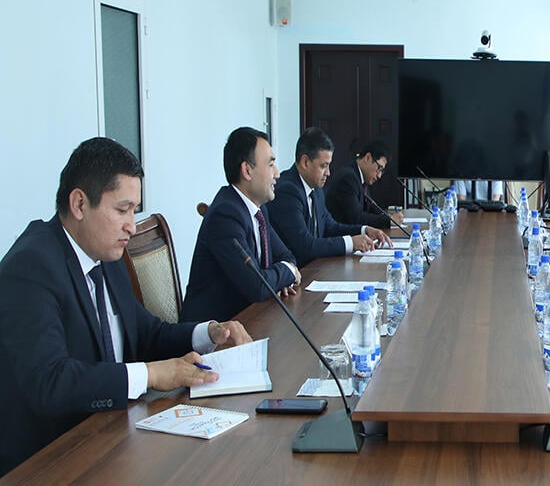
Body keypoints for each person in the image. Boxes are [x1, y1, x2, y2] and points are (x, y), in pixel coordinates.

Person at [0, 138, 251, 475]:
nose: (131, 226)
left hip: (113, 436)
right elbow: (50, 383)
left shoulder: (105, 253)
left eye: (134, 211)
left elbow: (144, 332)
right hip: (53, 460)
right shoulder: (32, 266)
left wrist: (208, 333)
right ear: (79, 203)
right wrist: (150, 374)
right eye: (122, 210)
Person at [181, 127, 301, 323]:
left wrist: (283, 276)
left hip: (249, 319)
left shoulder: (258, 209)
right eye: (271, 164)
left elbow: (287, 256)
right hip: (215, 335)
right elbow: (257, 286)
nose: (277, 174)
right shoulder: (225, 214)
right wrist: (287, 273)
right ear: (247, 170)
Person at [267, 128, 391, 266]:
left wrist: (364, 230)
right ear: (305, 162)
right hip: (297, 275)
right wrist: (351, 243)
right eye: (323, 166)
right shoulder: (287, 191)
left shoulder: (316, 190)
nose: (328, 173)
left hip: (316, 269)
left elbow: (330, 227)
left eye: (329, 165)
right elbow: (305, 246)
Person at [326, 140, 404, 229]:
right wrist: (388, 221)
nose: (379, 175)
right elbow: (356, 218)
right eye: (379, 168)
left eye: (382, 171)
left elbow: (370, 207)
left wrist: (387, 216)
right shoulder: (348, 178)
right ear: (368, 158)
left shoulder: (359, 177)